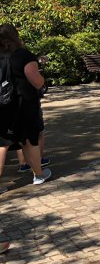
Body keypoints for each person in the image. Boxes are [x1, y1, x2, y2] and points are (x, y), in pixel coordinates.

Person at [0, 24, 51, 186]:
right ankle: (38, 175)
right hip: (24, 104)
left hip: (2, 105)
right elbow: (36, 81)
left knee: (2, 144)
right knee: (29, 140)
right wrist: (42, 80)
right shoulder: (23, 55)